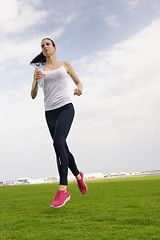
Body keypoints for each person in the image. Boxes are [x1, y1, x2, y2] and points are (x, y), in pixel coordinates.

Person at [30, 38, 87, 208]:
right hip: (50, 112)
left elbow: (78, 81)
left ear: (54, 48)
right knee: (61, 147)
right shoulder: (39, 69)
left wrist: (79, 89)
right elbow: (33, 94)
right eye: (42, 45)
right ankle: (78, 175)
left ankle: (63, 189)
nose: (45, 47)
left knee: (58, 143)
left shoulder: (65, 65)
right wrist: (35, 82)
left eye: (47, 44)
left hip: (65, 108)